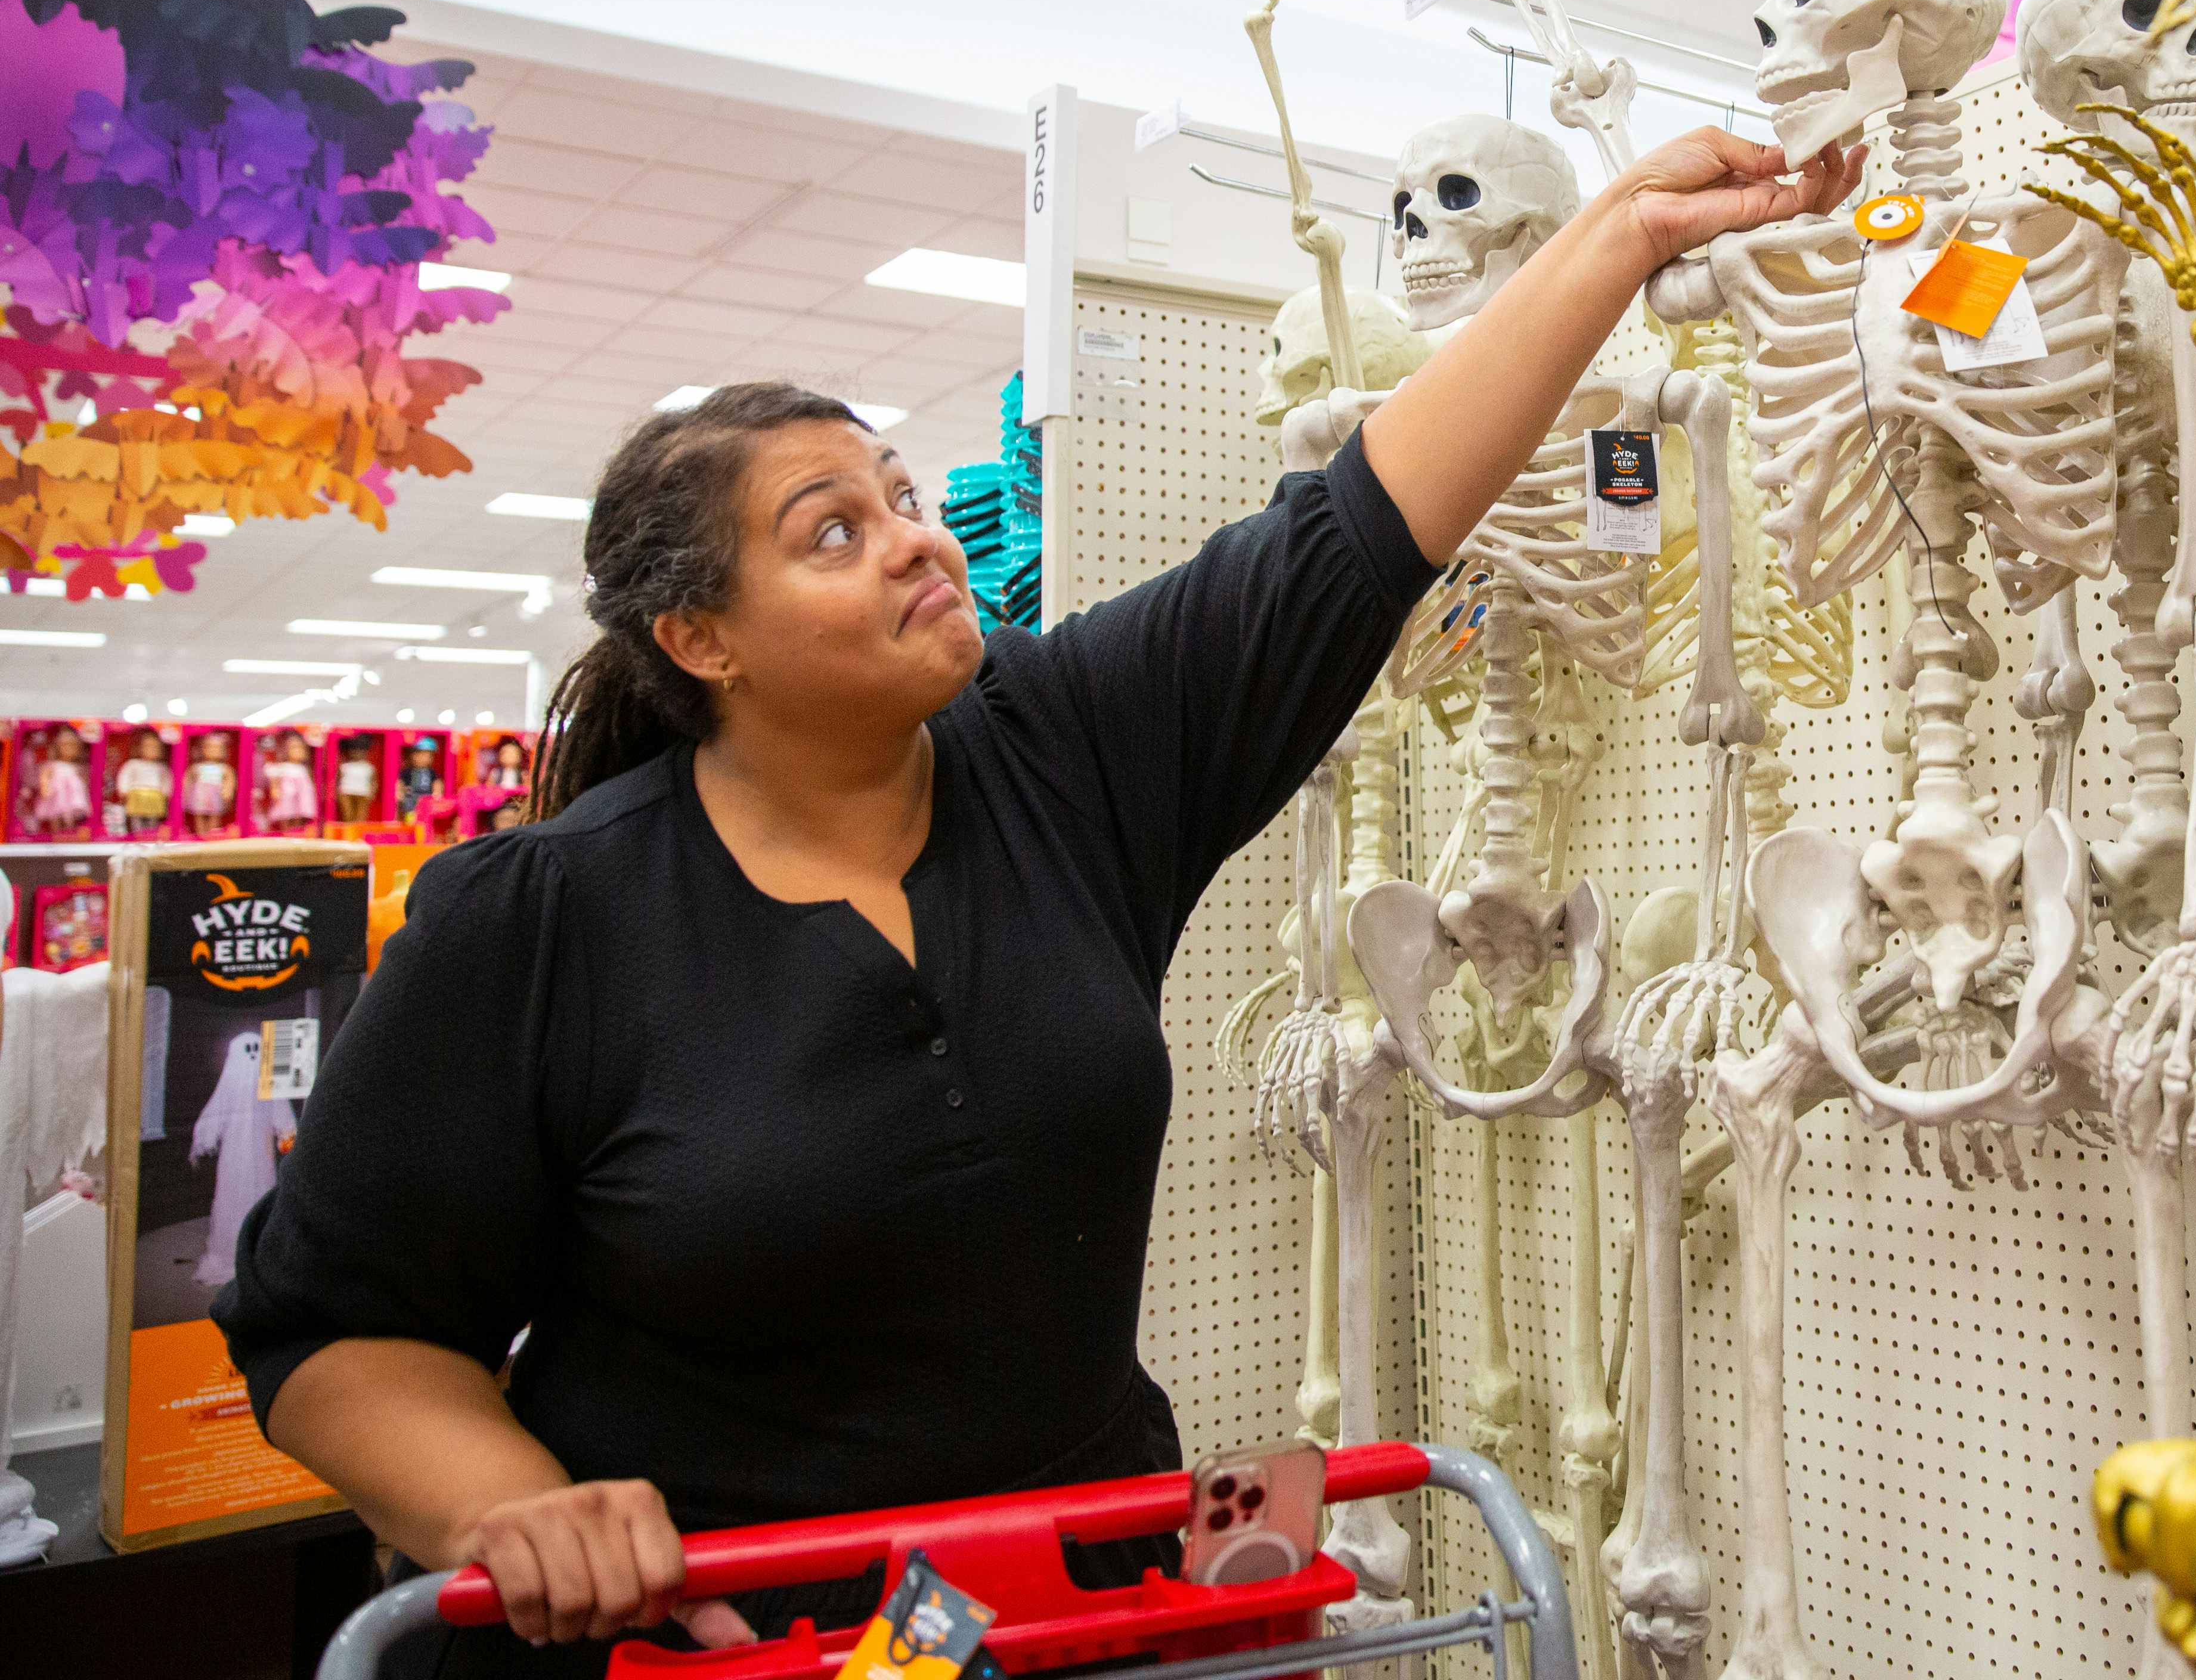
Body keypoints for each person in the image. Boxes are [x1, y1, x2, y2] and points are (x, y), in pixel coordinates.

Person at [213, 127, 1854, 1668]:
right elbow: (337, 1331)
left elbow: (1352, 529)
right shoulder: (541, 918)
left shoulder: (1064, 757)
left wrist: (1617, 237)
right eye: (834, 532)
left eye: (904, 500)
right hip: (732, 1634)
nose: (919, 545)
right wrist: (508, 1506)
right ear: (702, 642)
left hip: (1075, 1609)